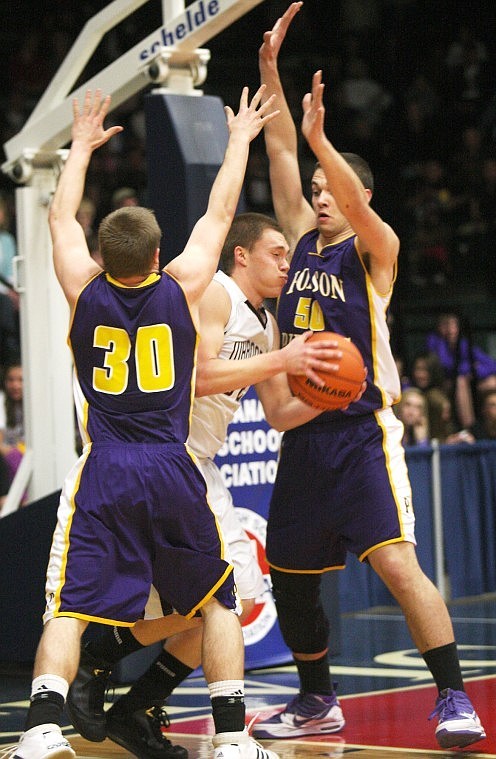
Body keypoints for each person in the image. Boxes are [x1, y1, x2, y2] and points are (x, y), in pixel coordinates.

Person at [11, 87, 282, 759]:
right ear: (159, 256)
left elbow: (59, 219)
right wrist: (241, 137)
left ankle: (43, 727)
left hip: (104, 465)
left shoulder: (81, 286)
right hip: (171, 463)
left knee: (70, 606)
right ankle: (229, 739)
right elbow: (222, 210)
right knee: (218, 601)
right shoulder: (186, 285)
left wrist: (80, 148)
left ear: (104, 258)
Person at [252, 3, 485, 750]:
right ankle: (317, 699)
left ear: (358, 193)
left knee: (395, 562)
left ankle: (452, 696)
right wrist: (269, 73)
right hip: (305, 435)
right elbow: (282, 151)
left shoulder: (374, 251)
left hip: (361, 432)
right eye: (319, 186)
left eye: (334, 186)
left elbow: (334, 181)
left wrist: (326, 145)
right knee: (289, 573)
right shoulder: (301, 243)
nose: (320, 193)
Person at [63, 211, 343, 755]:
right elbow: (199, 378)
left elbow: (280, 412)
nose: (287, 264)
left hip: (196, 464)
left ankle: (125, 693)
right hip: (167, 457)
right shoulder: (212, 295)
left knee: (215, 607)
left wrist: (335, 395)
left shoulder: (266, 325)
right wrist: (282, 359)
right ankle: (199, 721)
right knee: (220, 602)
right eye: (276, 253)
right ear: (242, 255)